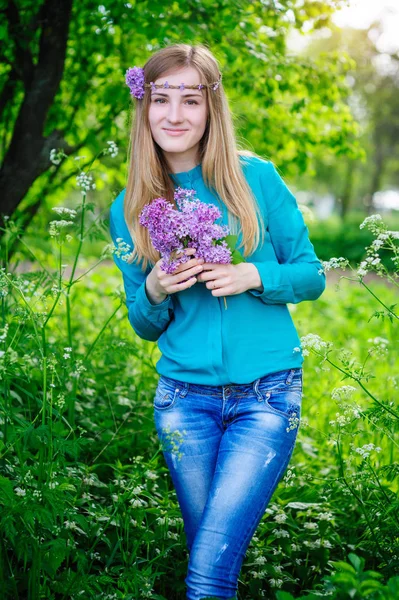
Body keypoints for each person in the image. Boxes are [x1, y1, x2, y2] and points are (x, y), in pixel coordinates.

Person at [109, 43, 326, 600]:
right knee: (210, 560)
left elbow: (310, 275)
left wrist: (253, 275)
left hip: (267, 396)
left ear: (211, 108)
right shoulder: (129, 206)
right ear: (144, 107)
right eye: (161, 99)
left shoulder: (255, 179)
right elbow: (144, 322)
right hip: (183, 402)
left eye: (190, 100)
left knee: (208, 573)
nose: (174, 115)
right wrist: (155, 287)